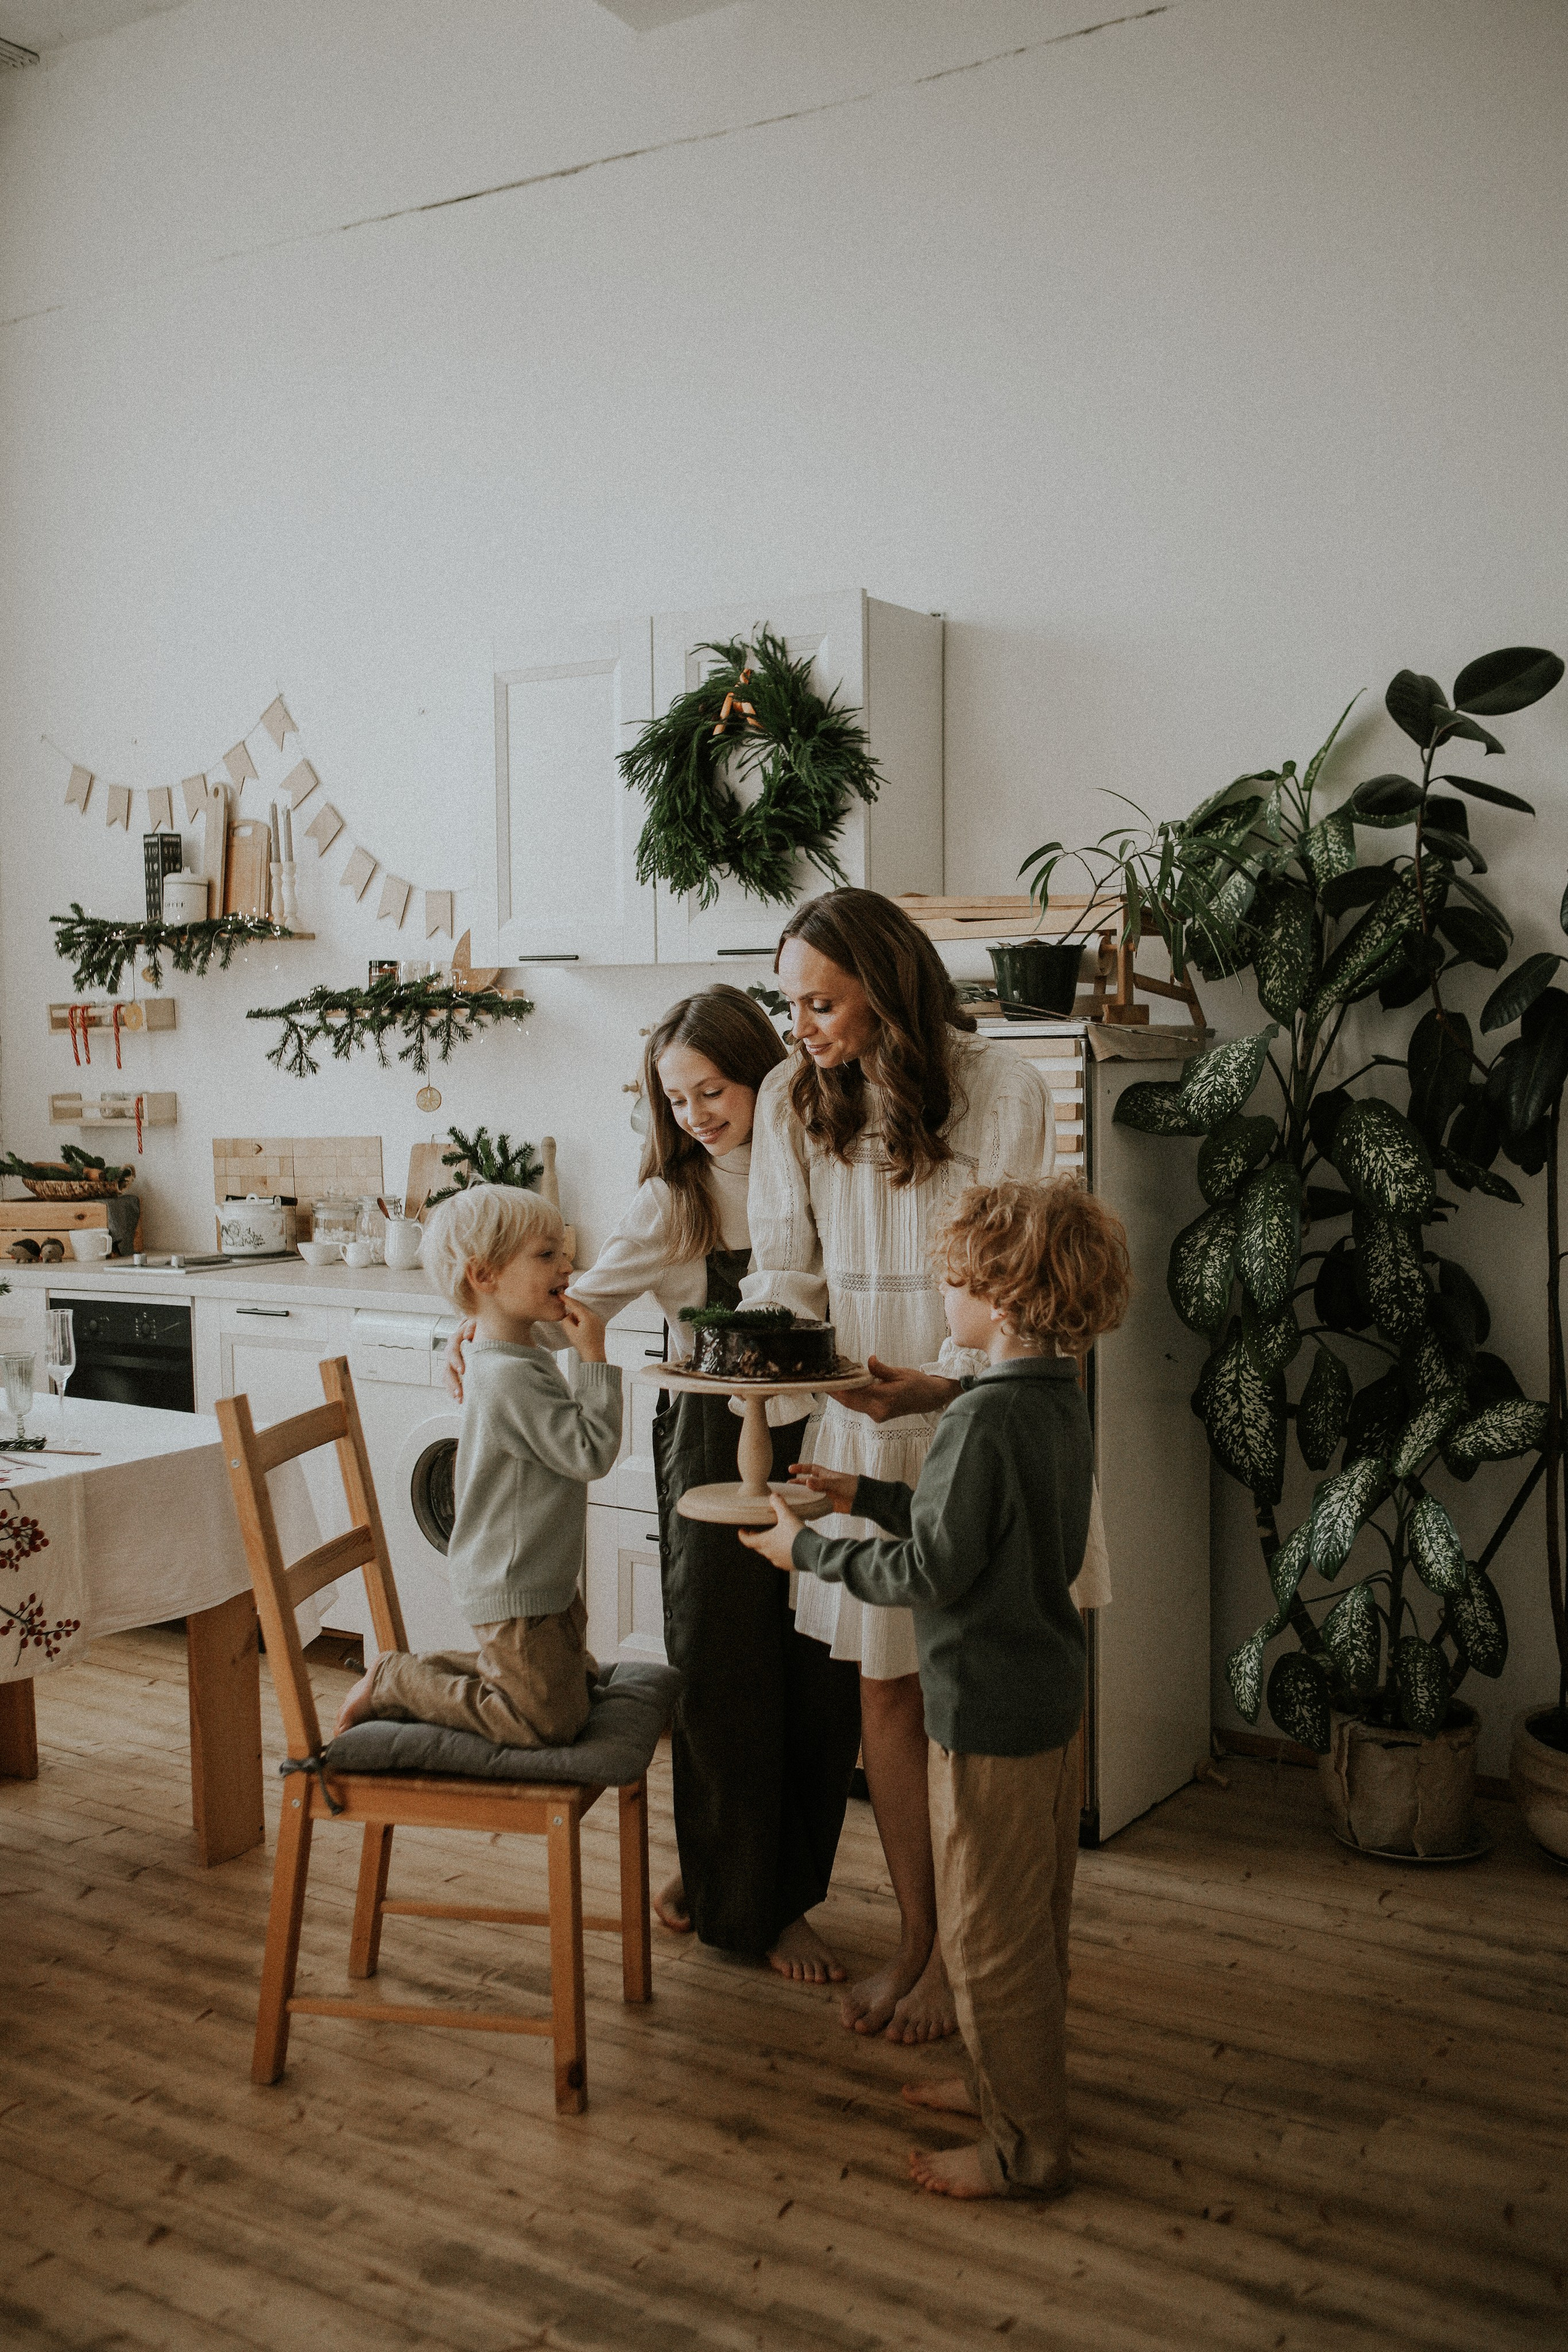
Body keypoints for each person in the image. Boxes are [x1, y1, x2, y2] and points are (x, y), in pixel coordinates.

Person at [739, 885, 1111, 2045]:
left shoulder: (998, 1086)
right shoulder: (789, 1099)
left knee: (985, 1700)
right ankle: (919, 1939)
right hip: (856, 1420)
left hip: (979, 1418)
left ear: (888, 985)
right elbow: (784, 1272)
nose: (802, 1024)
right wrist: (764, 1356)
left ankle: (979, 1959)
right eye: (792, 1003)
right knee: (887, 1698)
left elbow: (1016, 1271)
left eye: (823, 1001)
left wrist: (946, 1388)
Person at [442, 984, 862, 1981]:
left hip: (826, 1440)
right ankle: (743, 1914)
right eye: (676, 1102)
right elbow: (567, 1301)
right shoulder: (672, 1201)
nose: (697, 1115)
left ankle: (746, 1883)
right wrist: (471, 1332)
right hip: (713, 1447)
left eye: (711, 1089)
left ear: (766, 1071)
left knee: (821, 1681)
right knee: (725, 1677)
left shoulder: (828, 1173)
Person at [741, 1176, 1131, 2201]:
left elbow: (928, 1573)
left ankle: (1027, 2150)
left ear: (999, 1303)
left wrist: (807, 1550)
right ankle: (1003, 2087)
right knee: (1033, 1920)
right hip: (1049, 1704)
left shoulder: (981, 1422)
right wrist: (863, 1492)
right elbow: (973, 1525)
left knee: (988, 1939)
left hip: (989, 1720)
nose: (943, 1299)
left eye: (953, 1284)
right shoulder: (1051, 1401)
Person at [336, 1182, 620, 1746]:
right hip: (515, 1579)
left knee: (575, 1682)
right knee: (547, 1722)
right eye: (547, 1255)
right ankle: (396, 1679)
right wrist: (594, 1358)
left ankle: (462, 1670)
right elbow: (590, 1452)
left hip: (542, 1575)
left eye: (562, 1252)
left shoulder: (514, 1355)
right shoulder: (509, 1377)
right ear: (483, 1277)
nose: (568, 1267)